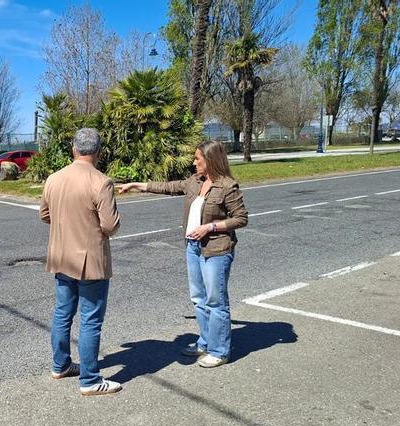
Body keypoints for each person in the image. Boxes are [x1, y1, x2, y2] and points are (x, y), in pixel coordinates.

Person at [118, 140, 248, 368]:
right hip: (193, 248)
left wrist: (211, 227)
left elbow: (241, 218)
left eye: (198, 158)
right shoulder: (194, 182)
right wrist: (137, 185)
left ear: (211, 160)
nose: (194, 162)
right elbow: (169, 187)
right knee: (199, 299)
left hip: (216, 250)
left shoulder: (228, 186)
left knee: (216, 301)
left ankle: (220, 351)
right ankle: (206, 342)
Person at [39, 128, 122, 396]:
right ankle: (89, 379)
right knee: (90, 320)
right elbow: (110, 226)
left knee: (62, 314)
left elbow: (44, 215)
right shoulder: (101, 181)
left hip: (62, 256)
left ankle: (60, 364)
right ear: (98, 152)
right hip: (90, 261)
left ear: (74, 149)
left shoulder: (54, 178)